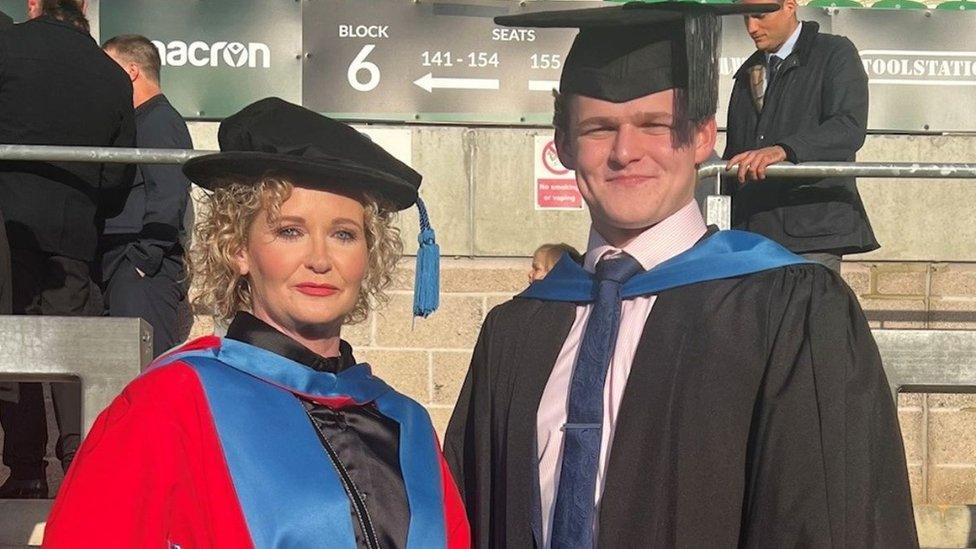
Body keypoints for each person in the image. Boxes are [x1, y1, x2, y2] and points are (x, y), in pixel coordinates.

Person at [445, 3, 917, 548]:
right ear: (565, 143)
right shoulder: (516, 331)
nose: (625, 152)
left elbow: (834, 525)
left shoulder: (789, 310)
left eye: (654, 125)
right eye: (599, 128)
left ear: (701, 136)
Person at [44, 98, 470, 548]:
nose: (320, 260)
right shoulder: (170, 405)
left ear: (369, 255)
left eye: (344, 234)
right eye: (290, 231)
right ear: (238, 248)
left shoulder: (408, 424)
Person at [0, 0, 134, 498]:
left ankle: (26, 470)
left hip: (6, 227)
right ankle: (79, 464)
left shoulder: (6, 47)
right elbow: (120, 171)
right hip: (74, 230)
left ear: (34, 4)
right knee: (69, 349)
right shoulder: (112, 74)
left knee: (10, 344)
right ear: (83, 7)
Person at [723, 0, 876, 272]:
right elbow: (735, 151)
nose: (751, 27)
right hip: (751, 233)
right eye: (745, 18)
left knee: (812, 314)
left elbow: (848, 127)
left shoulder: (835, 52)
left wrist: (784, 150)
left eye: (759, 16)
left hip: (813, 232)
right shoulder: (747, 72)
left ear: (790, 6)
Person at [100, 34, 193, 358]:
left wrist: (143, 260)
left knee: (143, 371)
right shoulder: (141, 121)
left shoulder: (159, 120)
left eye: (107, 69)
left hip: (142, 271)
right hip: (126, 267)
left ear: (131, 72)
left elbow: (169, 192)